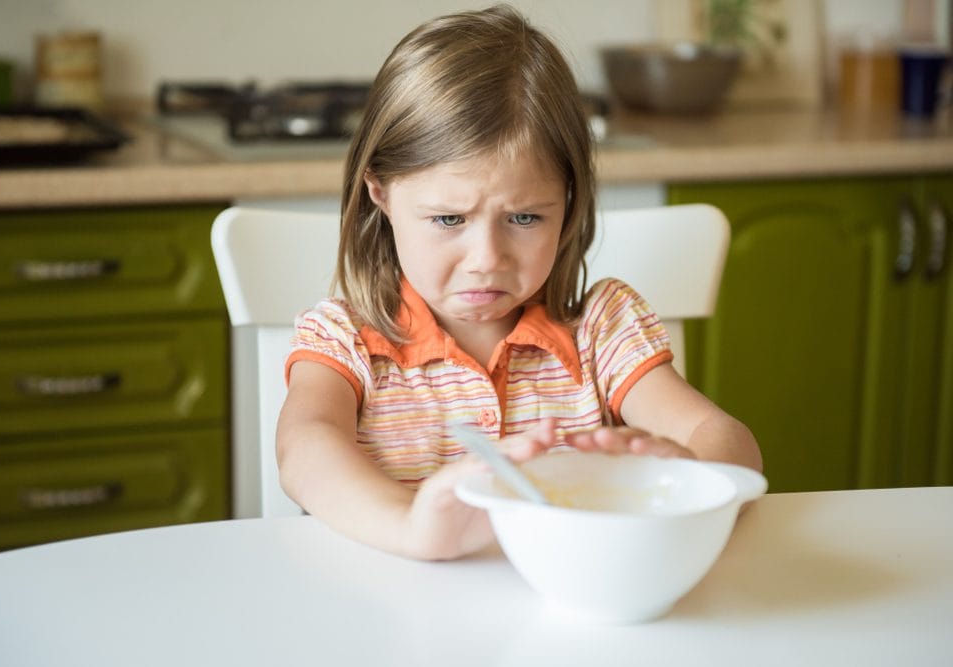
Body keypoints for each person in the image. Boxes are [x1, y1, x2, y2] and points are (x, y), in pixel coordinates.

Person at [277, 4, 761, 561]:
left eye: (525, 218)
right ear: (380, 193)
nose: (487, 259)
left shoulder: (600, 333)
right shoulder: (347, 338)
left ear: (569, 202)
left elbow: (724, 437)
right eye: (449, 220)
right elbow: (304, 449)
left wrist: (685, 481)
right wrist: (413, 526)